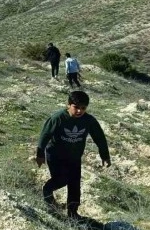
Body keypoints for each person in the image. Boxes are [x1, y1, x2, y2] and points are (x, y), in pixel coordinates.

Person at [36, 91, 110, 220]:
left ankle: (73, 212)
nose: (79, 111)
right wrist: (40, 154)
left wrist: (105, 155)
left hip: (74, 157)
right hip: (56, 156)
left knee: (75, 183)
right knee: (62, 179)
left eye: (83, 108)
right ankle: (47, 190)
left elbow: (99, 138)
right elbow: (45, 135)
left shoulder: (89, 120)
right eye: (76, 107)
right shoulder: (58, 118)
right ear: (68, 105)